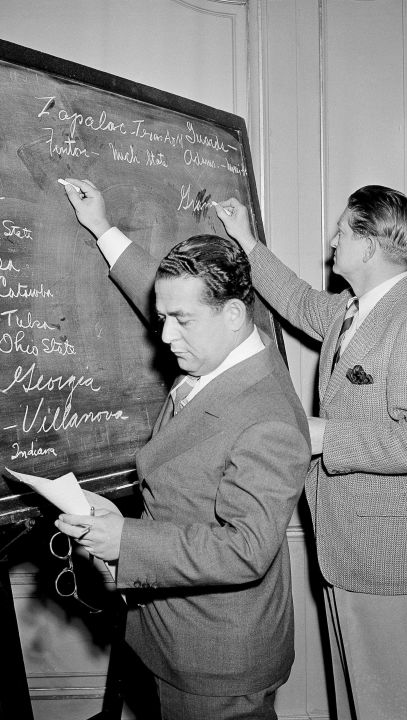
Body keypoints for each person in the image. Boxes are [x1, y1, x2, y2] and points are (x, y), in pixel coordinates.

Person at [52, 178, 311, 720]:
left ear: (235, 314)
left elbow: (245, 548)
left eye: (181, 321)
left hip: (218, 663)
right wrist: (102, 228)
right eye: (163, 316)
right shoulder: (225, 347)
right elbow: (166, 293)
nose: (166, 336)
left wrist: (127, 539)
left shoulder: (268, 417)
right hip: (174, 637)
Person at [215, 186, 407, 720]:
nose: (332, 241)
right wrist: (246, 241)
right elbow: (300, 300)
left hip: (390, 558)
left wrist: (329, 437)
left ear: (370, 245)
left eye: (344, 231)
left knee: (401, 709)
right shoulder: (356, 311)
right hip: (350, 548)